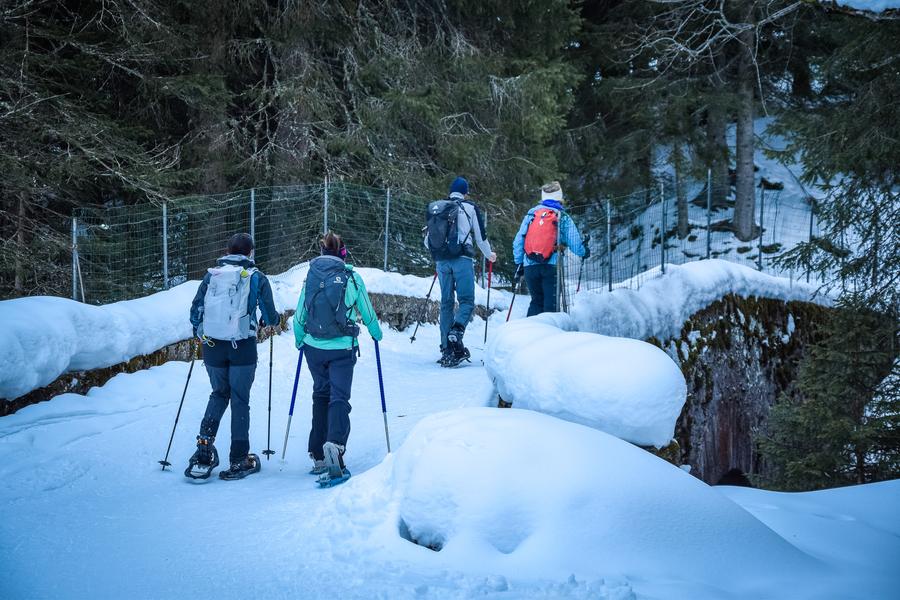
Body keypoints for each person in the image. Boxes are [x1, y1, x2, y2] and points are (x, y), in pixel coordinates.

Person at [187, 232, 280, 480]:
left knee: (219, 394)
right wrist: (269, 321)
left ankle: (204, 448)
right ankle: (239, 459)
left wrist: (199, 332)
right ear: (250, 253)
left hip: (213, 346)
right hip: (243, 347)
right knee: (240, 399)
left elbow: (196, 310)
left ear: (227, 251)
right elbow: (271, 316)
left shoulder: (212, 275)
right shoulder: (256, 276)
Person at [293, 232, 383, 485]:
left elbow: (301, 312)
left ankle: (318, 453)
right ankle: (335, 445)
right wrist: (376, 334)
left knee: (320, 394)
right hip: (342, 348)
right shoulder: (351, 277)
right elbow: (366, 311)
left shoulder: (310, 276)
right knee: (339, 397)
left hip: (313, 347)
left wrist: (300, 339)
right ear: (343, 254)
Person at [424, 176, 496, 367]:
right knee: (466, 301)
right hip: (462, 260)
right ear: (465, 192)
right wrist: (490, 256)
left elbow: (427, 240)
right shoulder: (470, 208)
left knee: (446, 303)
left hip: (442, 262)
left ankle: (446, 347)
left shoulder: (438, 209)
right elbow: (480, 238)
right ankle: (457, 331)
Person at [512, 181, 588, 316]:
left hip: (530, 265)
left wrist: (519, 262)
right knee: (550, 305)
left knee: (536, 302)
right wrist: (584, 252)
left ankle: (528, 334)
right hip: (551, 266)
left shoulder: (531, 215)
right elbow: (575, 243)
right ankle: (549, 335)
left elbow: (518, 240)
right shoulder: (562, 217)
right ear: (559, 197)